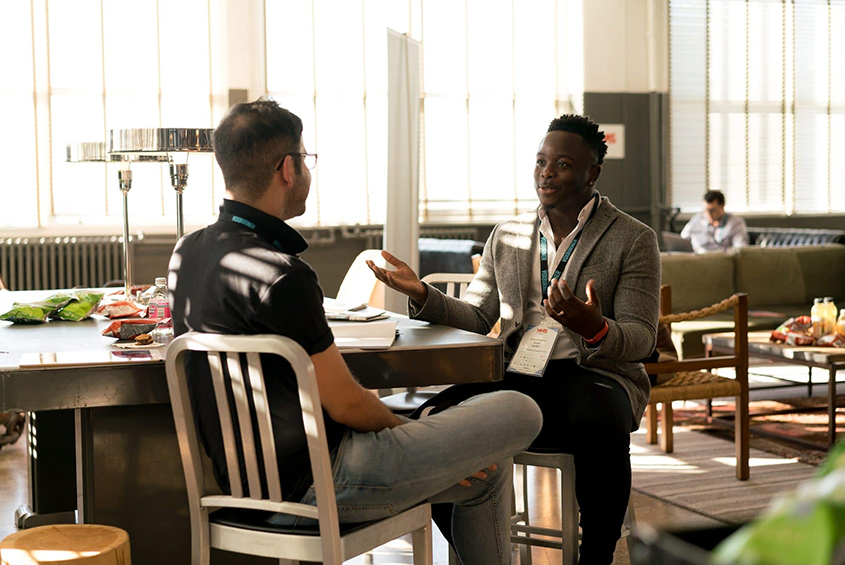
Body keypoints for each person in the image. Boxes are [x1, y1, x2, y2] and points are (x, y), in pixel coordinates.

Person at [167, 99, 542, 564]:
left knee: (486, 474)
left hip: (239, 488)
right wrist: (409, 430)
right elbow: (345, 402)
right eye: (306, 159)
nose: (307, 170)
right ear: (288, 168)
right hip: (322, 484)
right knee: (520, 408)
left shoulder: (187, 253)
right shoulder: (285, 275)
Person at [369, 114, 661, 565]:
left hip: (595, 376)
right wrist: (422, 294)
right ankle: (476, 552)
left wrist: (594, 328)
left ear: (592, 173)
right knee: (438, 416)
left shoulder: (632, 238)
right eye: (541, 161)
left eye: (562, 164)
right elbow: (479, 314)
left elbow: (642, 338)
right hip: (519, 372)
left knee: (598, 417)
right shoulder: (505, 236)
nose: (546, 172)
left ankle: (597, 554)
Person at [680, 190, 748, 253]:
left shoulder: (735, 223)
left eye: (712, 210)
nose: (709, 214)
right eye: (706, 210)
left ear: (723, 205)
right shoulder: (697, 220)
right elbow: (682, 240)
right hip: (696, 259)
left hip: (720, 260)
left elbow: (740, 249)